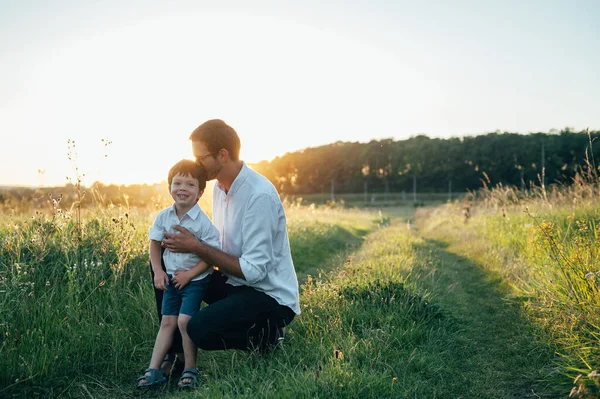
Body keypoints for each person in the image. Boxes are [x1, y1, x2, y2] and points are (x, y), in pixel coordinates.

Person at [162, 119, 300, 353]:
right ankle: (173, 353)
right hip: (234, 283)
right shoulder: (218, 188)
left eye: (201, 158)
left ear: (222, 155)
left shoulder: (259, 196)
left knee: (200, 330)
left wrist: (196, 247)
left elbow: (254, 272)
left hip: (269, 296)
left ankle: (268, 336)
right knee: (169, 265)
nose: (196, 164)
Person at [137, 159, 220, 389]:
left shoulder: (202, 222)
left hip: (194, 281)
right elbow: (155, 244)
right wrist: (158, 271)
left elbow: (210, 255)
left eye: (190, 184)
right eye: (178, 183)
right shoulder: (164, 217)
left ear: (200, 191)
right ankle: (153, 369)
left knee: (185, 322)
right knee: (167, 322)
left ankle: (190, 369)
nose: (183, 188)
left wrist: (189, 275)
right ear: (169, 187)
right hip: (171, 278)